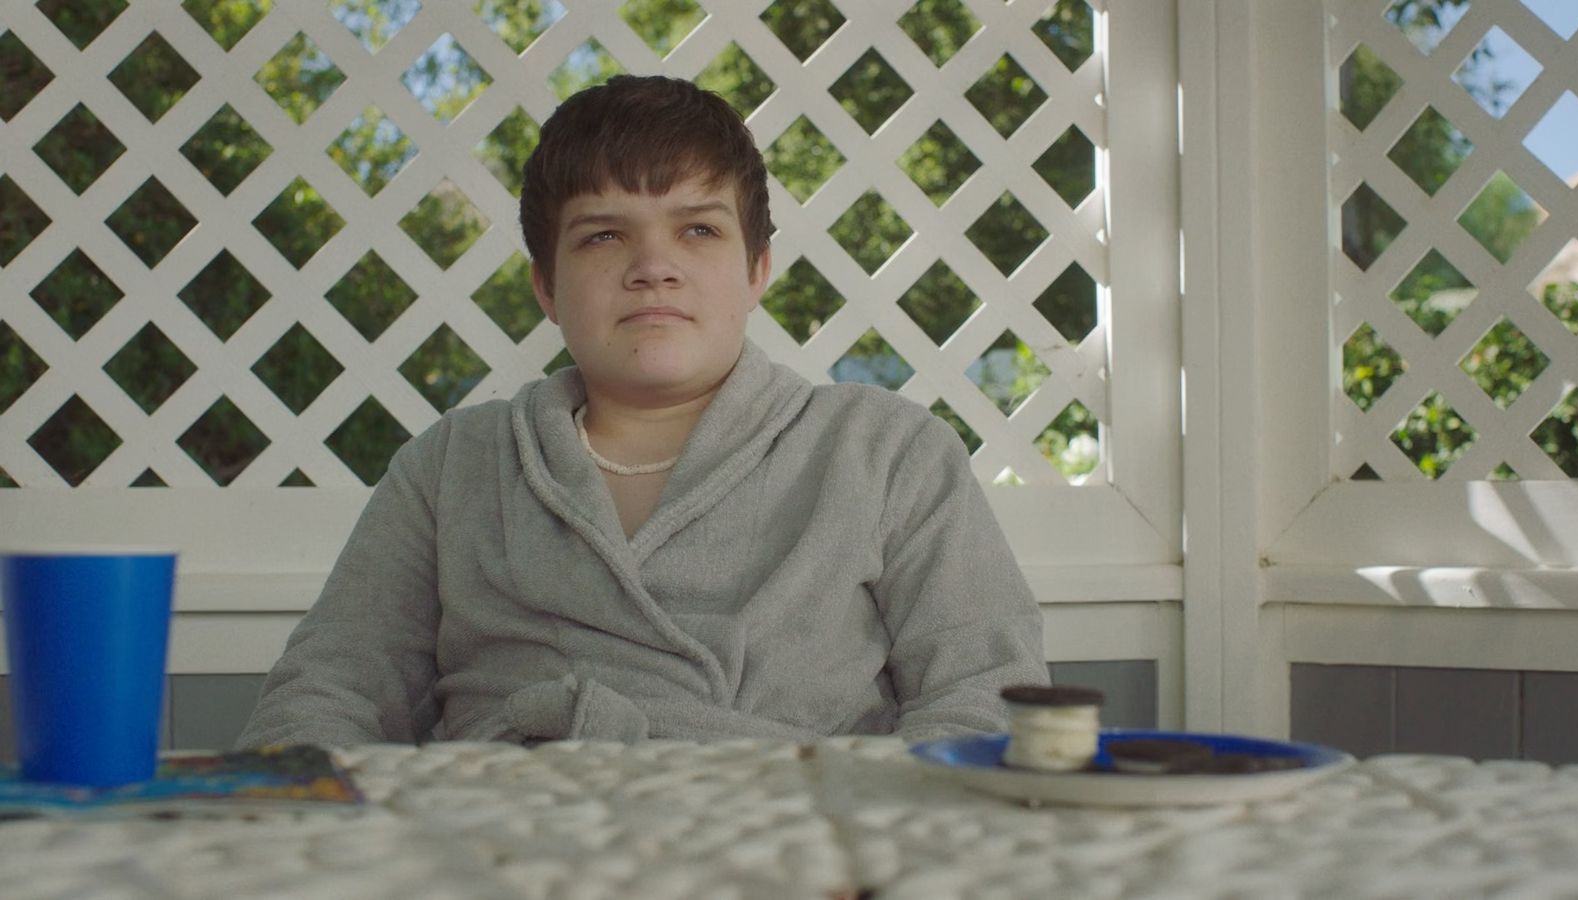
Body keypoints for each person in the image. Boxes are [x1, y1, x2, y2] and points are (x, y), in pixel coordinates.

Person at [236, 75, 1046, 748]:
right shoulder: (451, 467)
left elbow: (983, 702)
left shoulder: (889, 453)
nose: (654, 267)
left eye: (697, 229)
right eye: (602, 237)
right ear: (546, 288)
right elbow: (327, 694)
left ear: (757, 268)